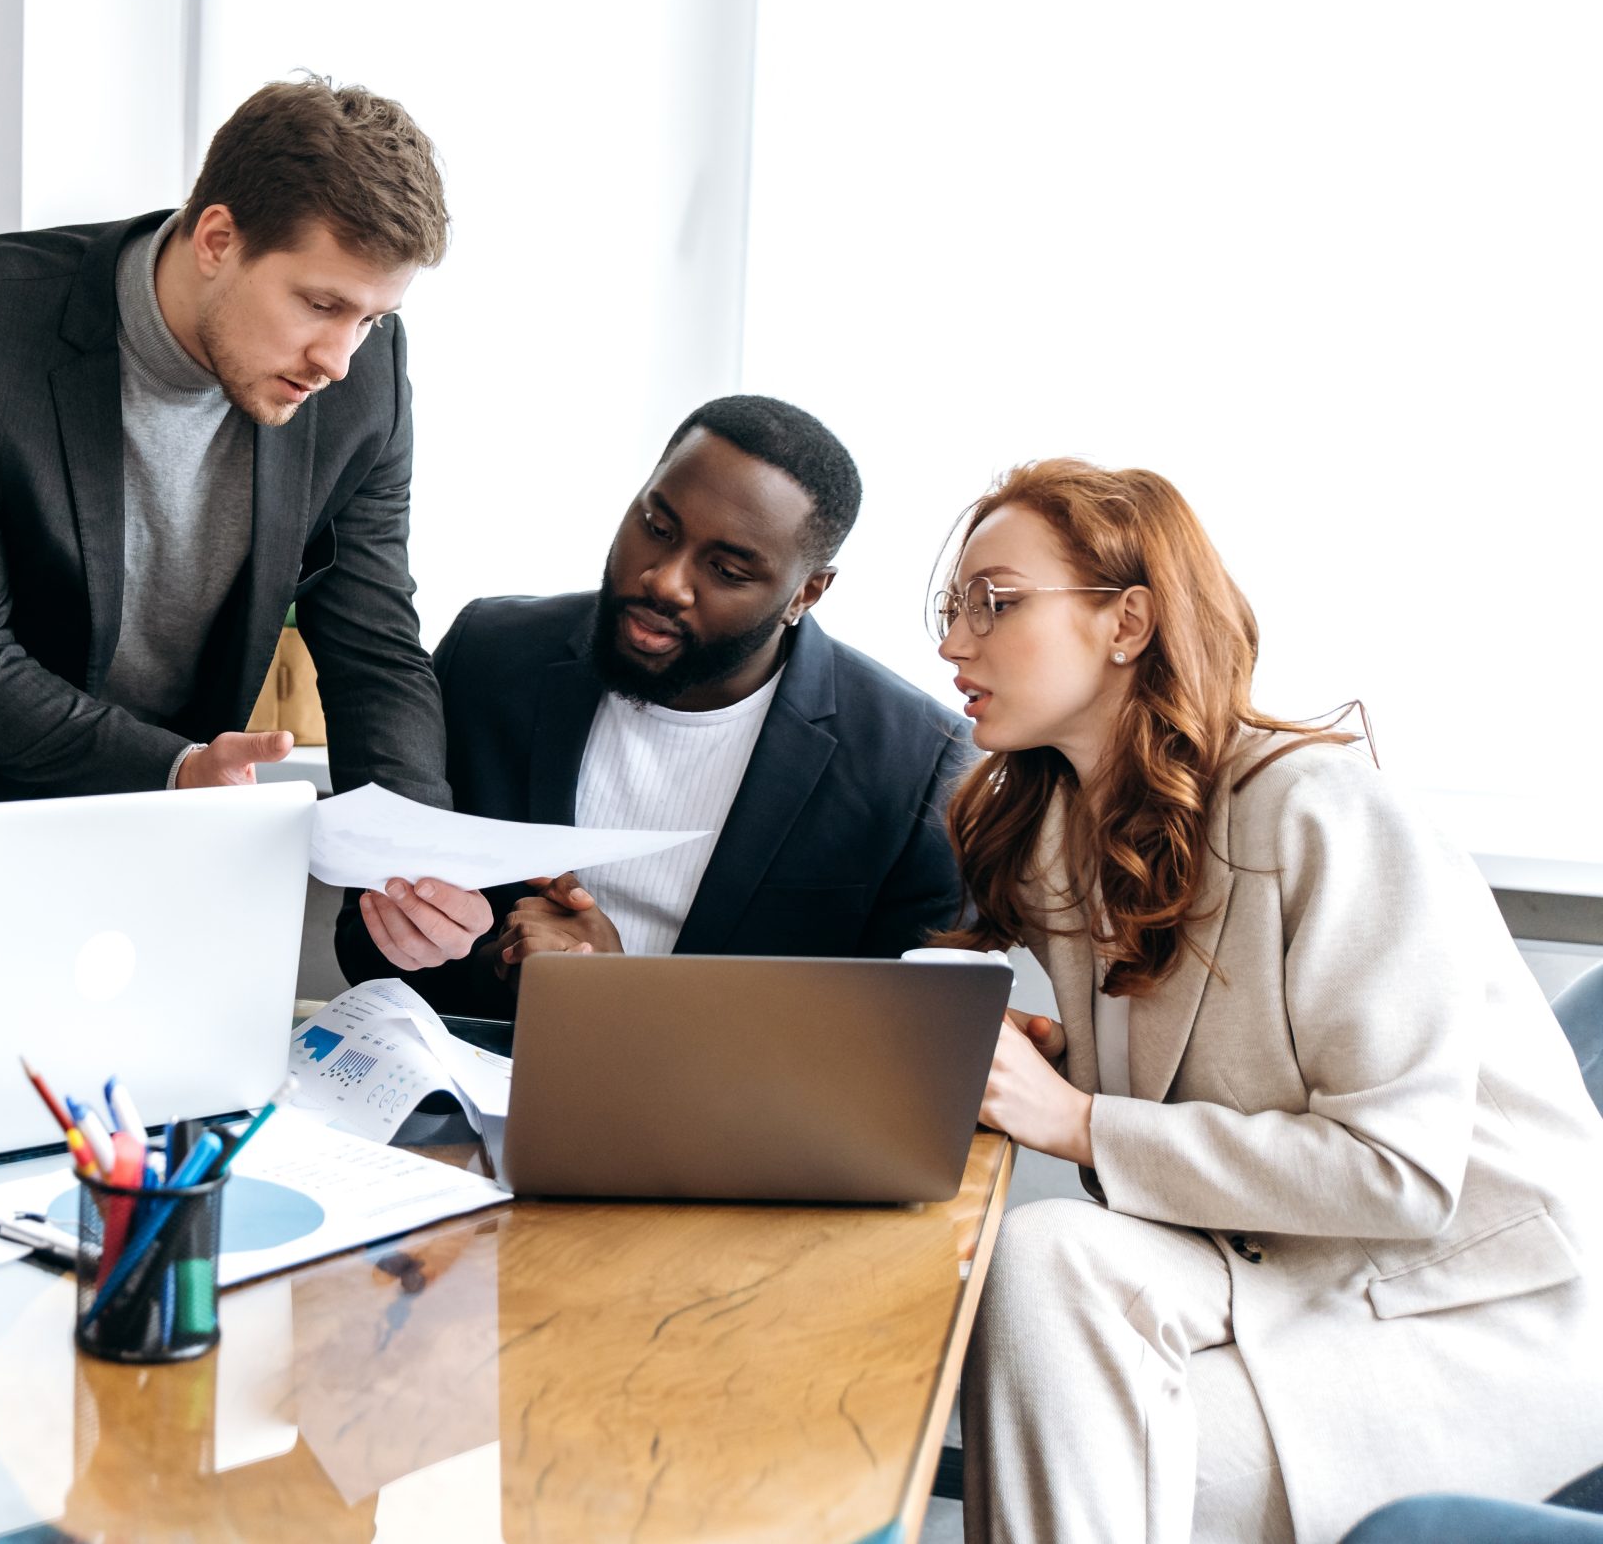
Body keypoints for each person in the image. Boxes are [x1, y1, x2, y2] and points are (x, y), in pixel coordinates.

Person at [936, 459, 1603, 1543]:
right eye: (952, 607)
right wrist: (1059, 1074)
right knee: (1044, 1251)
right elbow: (1187, 1111)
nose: (954, 642)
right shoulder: (1058, 841)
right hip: (1274, 1279)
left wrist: (1077, 1118)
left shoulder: (1329, 817)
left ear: (1126, 621)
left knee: (1082, 1444)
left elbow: (1397, 1172)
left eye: (994, 603)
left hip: (1456, 1323)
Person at [0, 75, 490, 970]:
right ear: (218, 239)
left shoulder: (367, 383)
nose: (341, 358)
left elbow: (373, 641)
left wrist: (413, 859)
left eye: (373, 317)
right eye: (319, 304)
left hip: (192, 866)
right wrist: (172, 767)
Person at [334, 395, 973, 1016]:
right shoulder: (490, 655)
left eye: (727, 570)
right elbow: (364, 942)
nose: (664, 580)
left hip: (734, 1120)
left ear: (805, 592)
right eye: (657, 528)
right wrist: (492, 958)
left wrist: (626, 995)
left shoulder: (916, 762)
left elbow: (896, 1040)